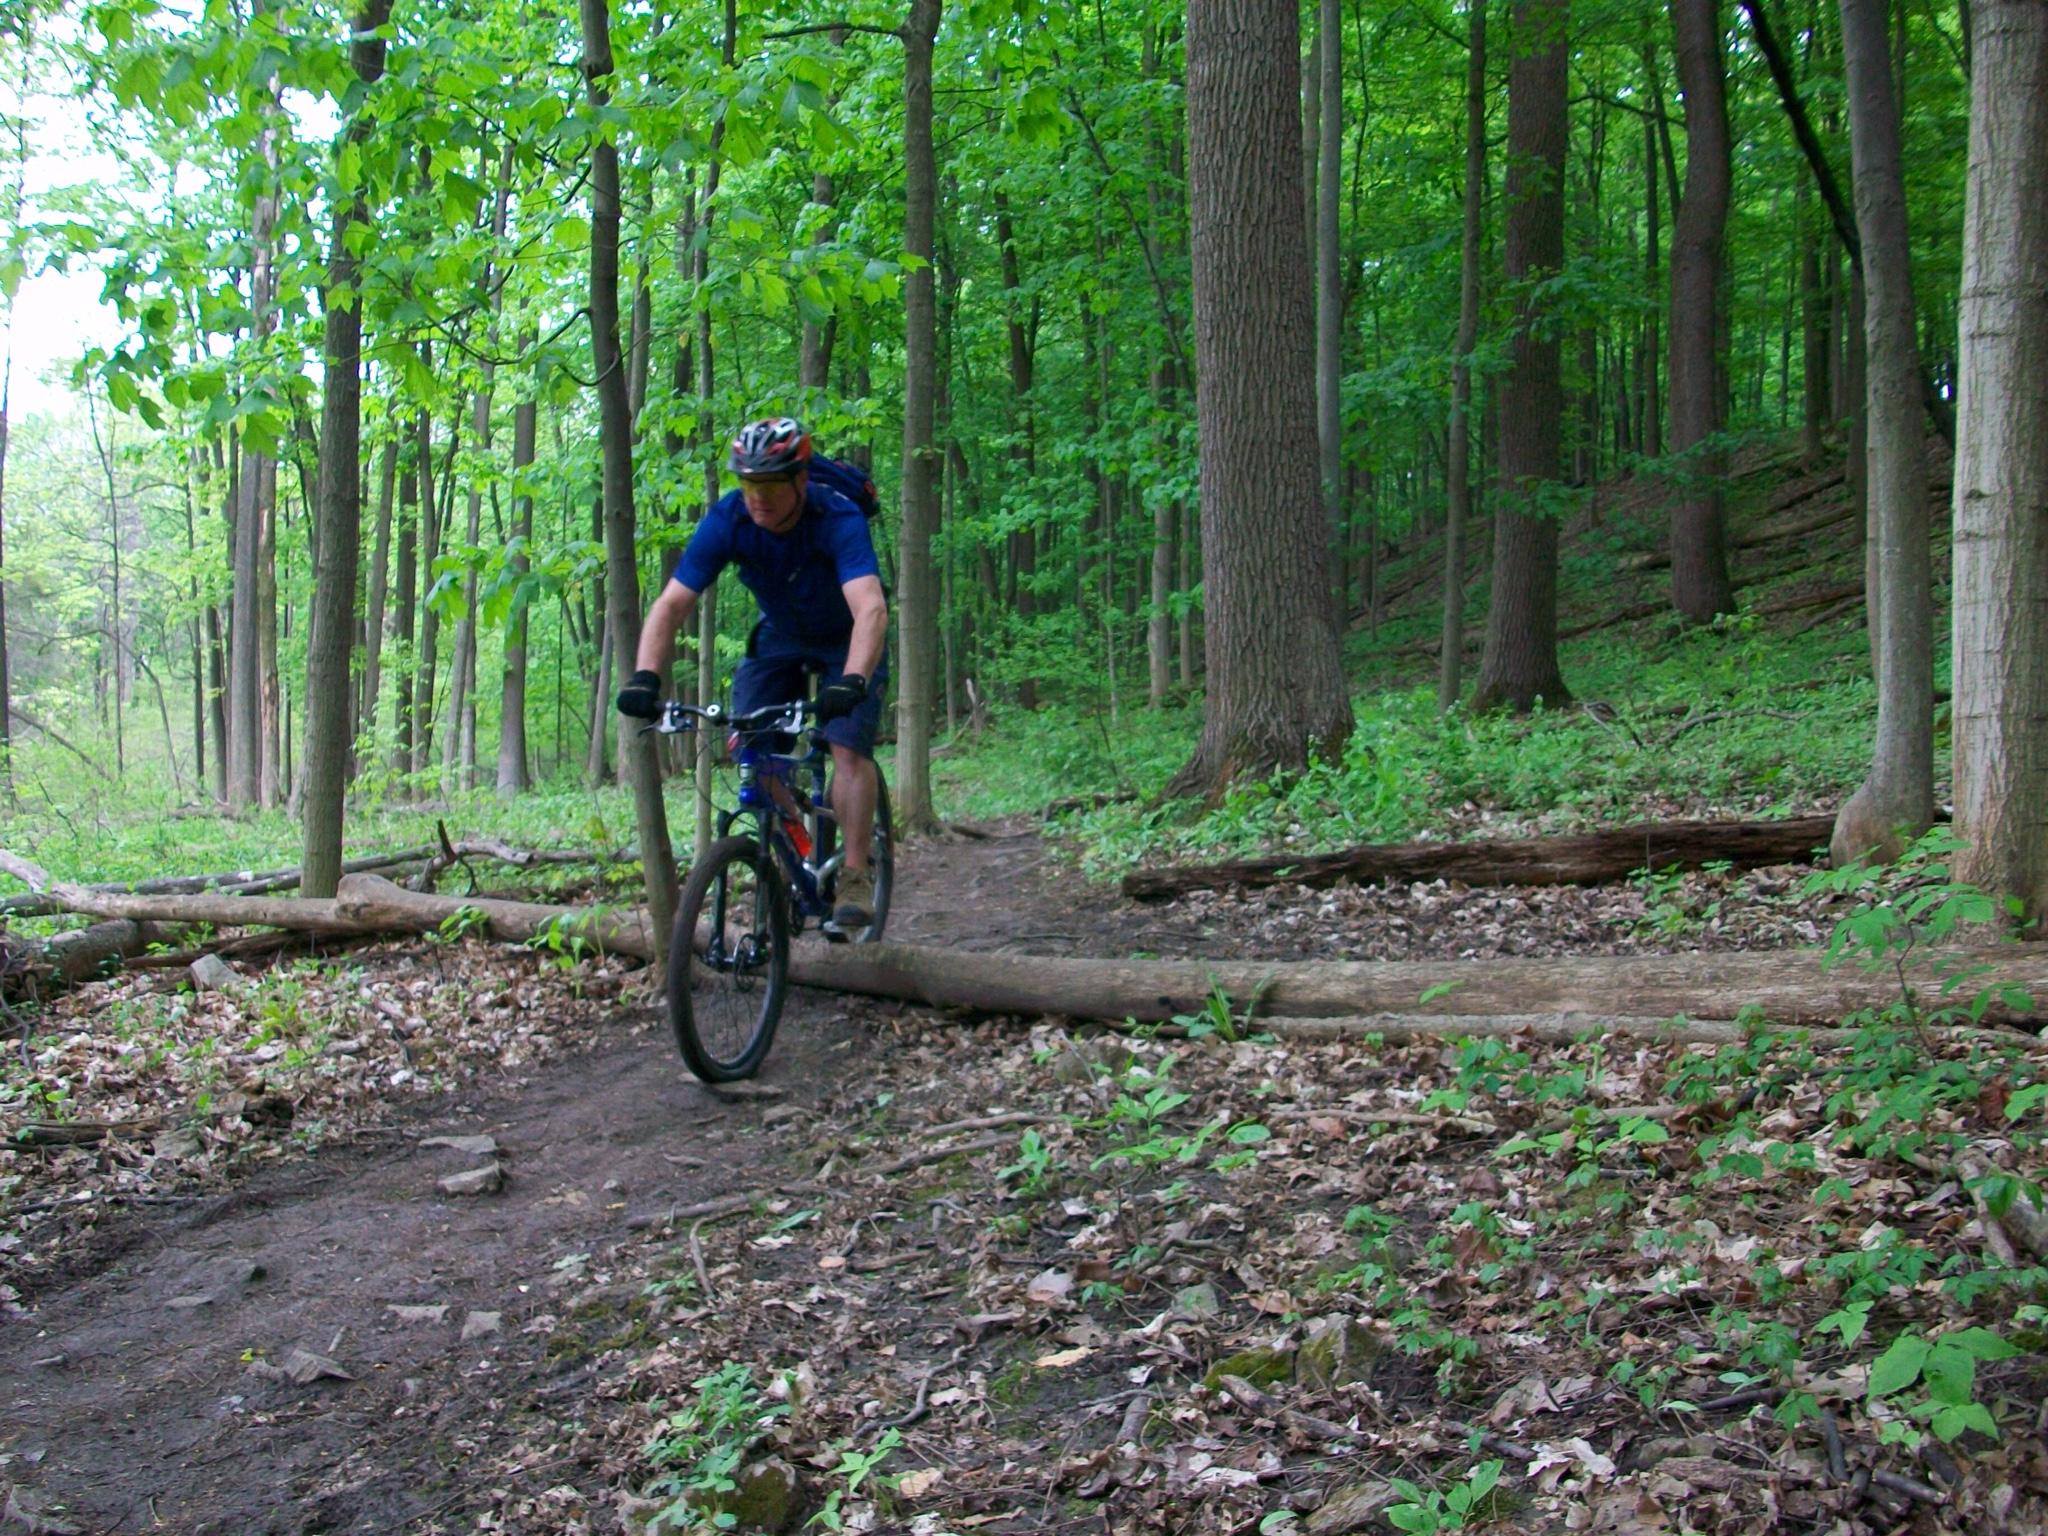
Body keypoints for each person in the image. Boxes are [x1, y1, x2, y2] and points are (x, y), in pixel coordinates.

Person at [616, 417, 888, 931]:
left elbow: (870, 609)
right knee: (749, 742)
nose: (756, 498)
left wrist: (852, 679)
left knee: (848, 747)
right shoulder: (729, 520)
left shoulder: (837, 516)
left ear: (800, 481)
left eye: (768, 485)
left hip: (847, 636)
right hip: (781, 635)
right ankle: (794, 841)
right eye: (748, 484)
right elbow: (672, 604)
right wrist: (646, 677)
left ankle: (854, 872)